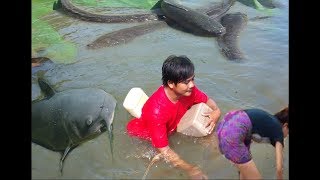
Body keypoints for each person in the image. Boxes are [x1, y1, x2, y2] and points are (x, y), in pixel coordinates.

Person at [126, 55, 221, 179]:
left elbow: (209, 102)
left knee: (212, 138)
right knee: (161, 168)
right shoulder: (156, 112)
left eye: (193, 79)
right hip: (144, 138)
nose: (192, 85)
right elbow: (164, 149)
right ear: (171, 83)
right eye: (186, 82)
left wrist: (216, 112)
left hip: (170, 127)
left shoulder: (188, 91)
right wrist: (190, 169)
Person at [215, 106, 289, 179]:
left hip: (224, 126)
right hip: (233, 133)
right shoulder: (279, 131)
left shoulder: (268, 120)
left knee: (245, 172)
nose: (287, 135)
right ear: (285, 125)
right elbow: (279, 168)